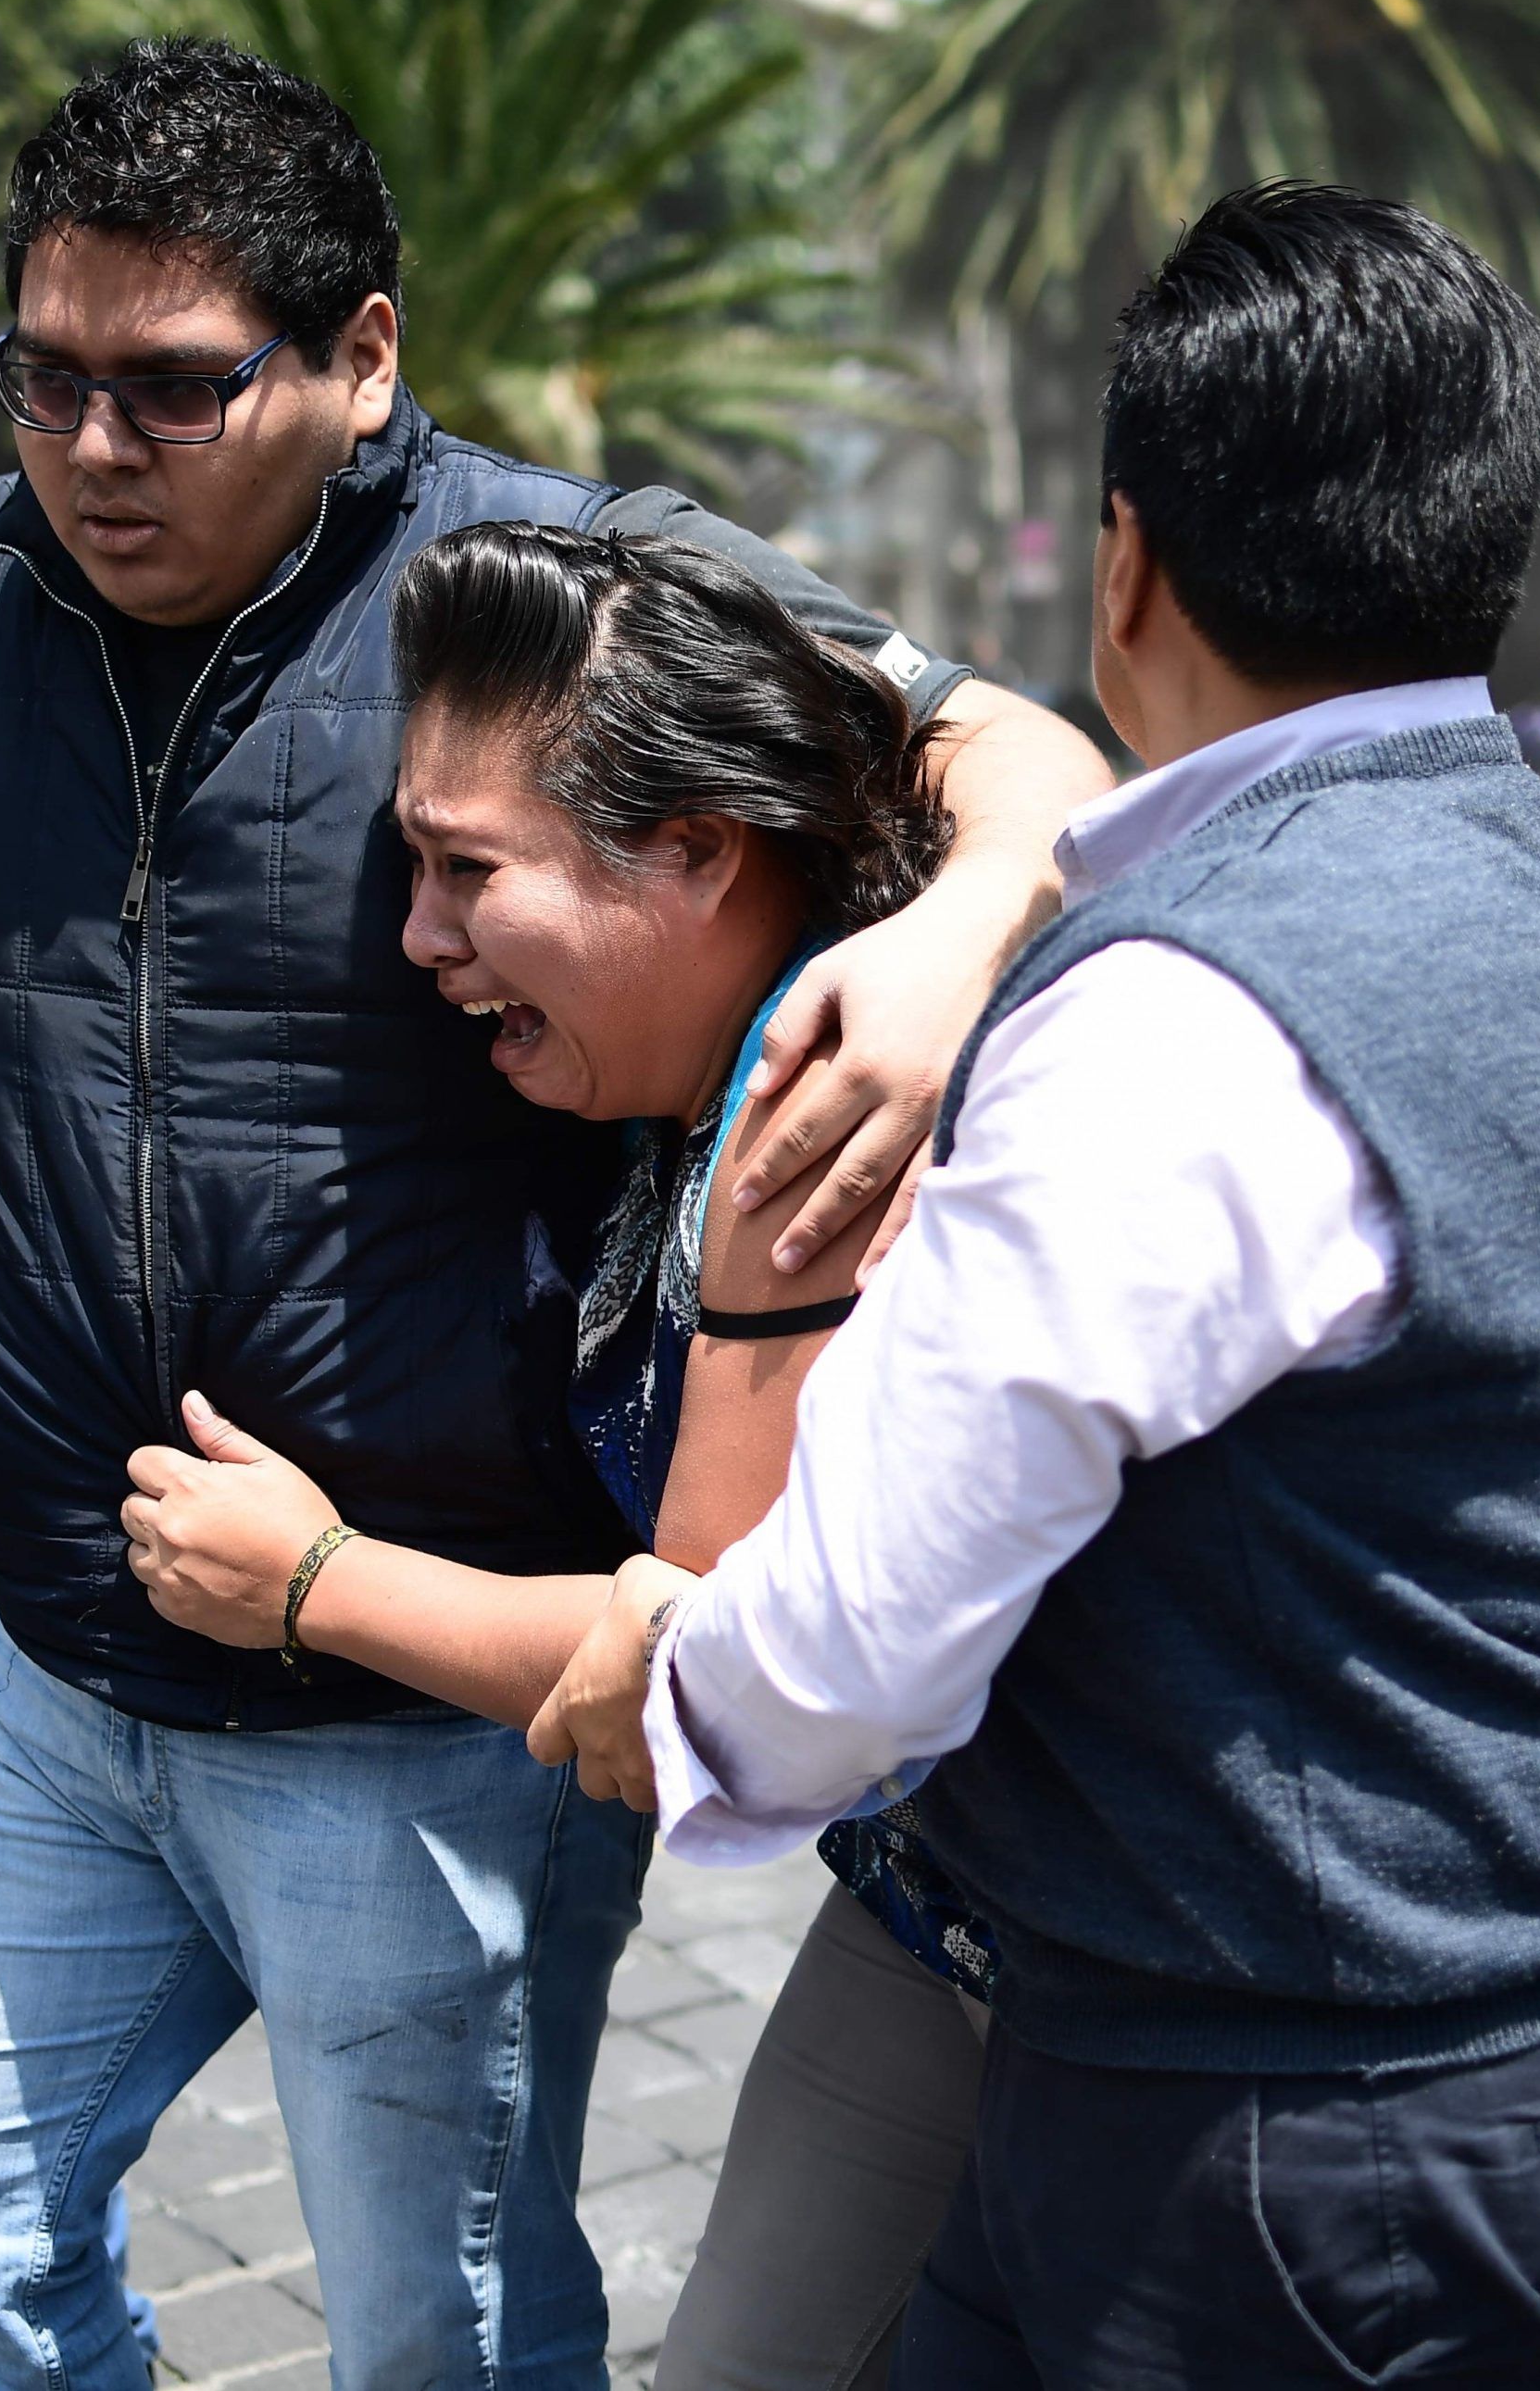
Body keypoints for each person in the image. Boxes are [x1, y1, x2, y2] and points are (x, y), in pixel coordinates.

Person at [0, 36, 1106, 2391]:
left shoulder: (549, 588)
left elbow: (1006, 745)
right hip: (50, 1661)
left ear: (364, 354)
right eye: (45, 378)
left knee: (441, 2335)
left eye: (175, 388)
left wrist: (951, 932)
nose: (93, 449)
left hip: (416, 1704)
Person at [532, 184, 1540, 2387]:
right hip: (1528, 2040)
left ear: (1124, 565)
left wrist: (669, 1670)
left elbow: (857, 1648)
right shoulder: (1529, 888)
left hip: (1295, 2133)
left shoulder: (1174, 1008)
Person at [108, 520, 982, 2391]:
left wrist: (313, 1584)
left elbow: (705, 1677)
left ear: (696, 851)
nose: (416, 937)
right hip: (929, 1922)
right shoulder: (714, 1066)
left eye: (465, 871)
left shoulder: (827, 1116)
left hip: (1145, 1973)